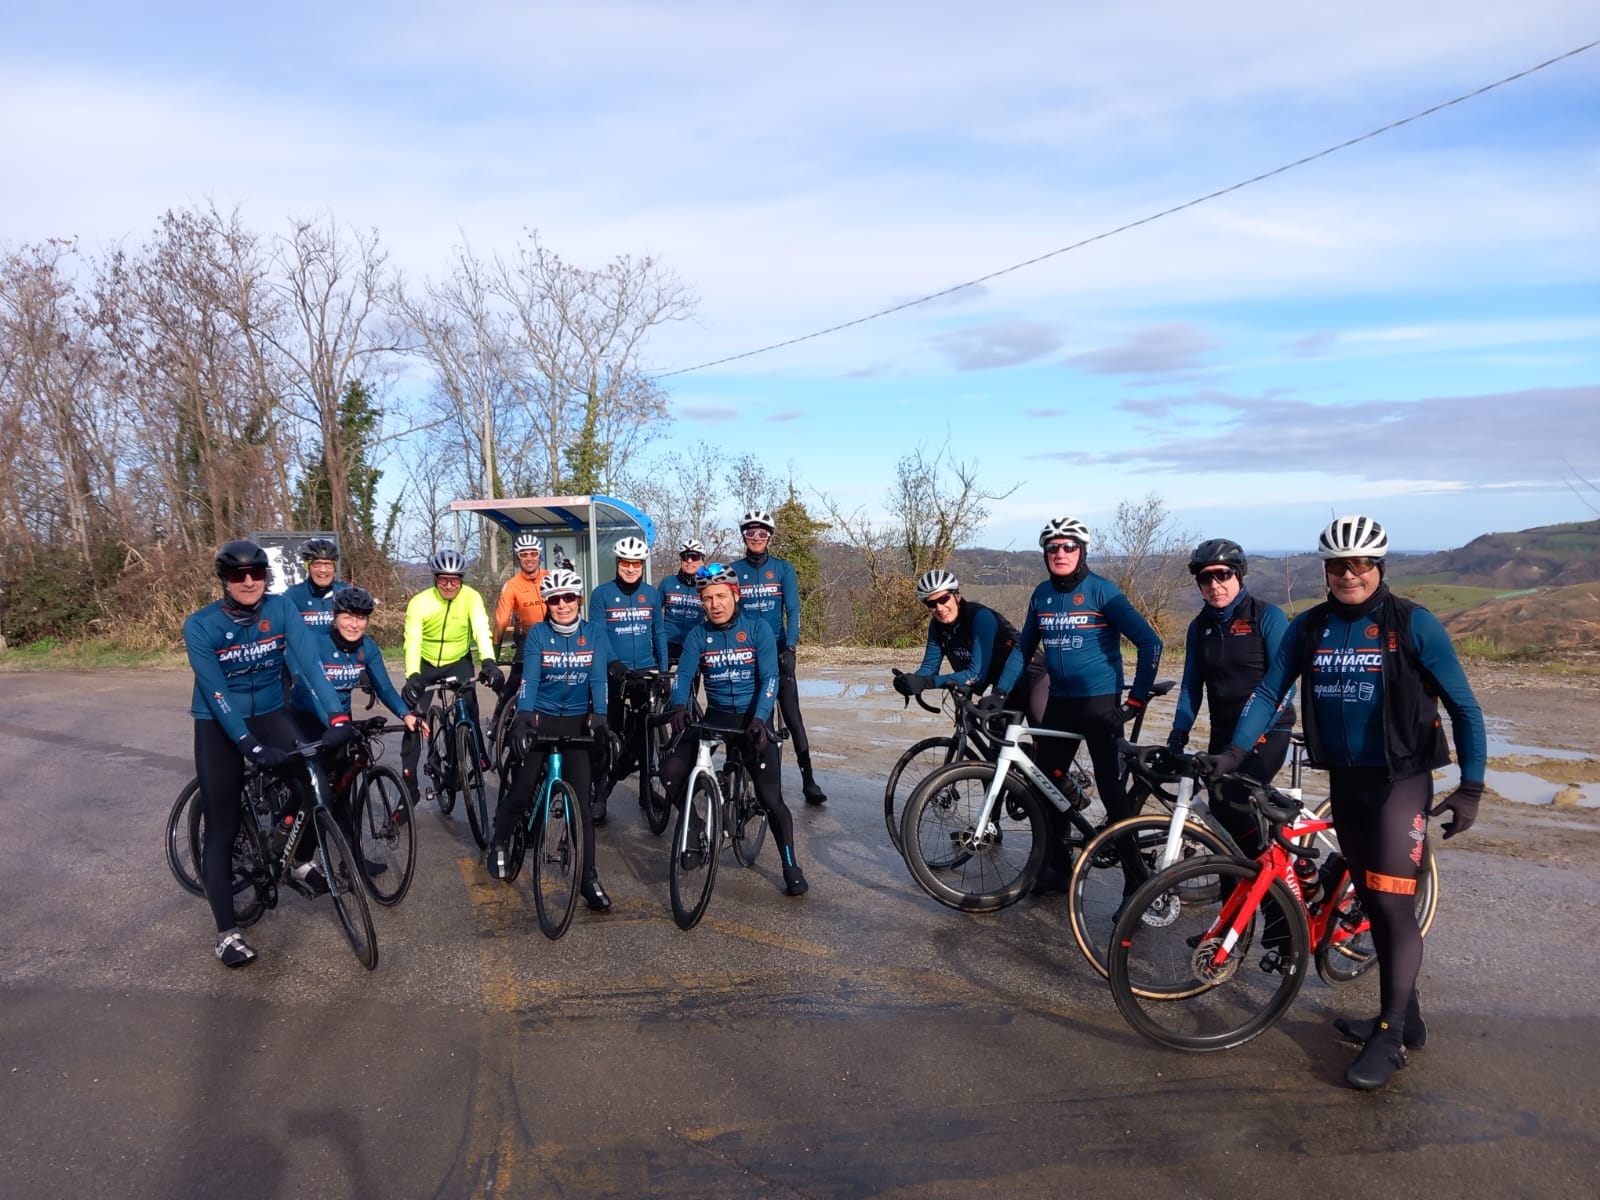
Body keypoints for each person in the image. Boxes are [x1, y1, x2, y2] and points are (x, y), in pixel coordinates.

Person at [1207, 515, 1486, 1091]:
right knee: (1371, 899)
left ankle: (1389, 1036)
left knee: (1389, 906)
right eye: (1338, 565)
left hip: (1399, 782)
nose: (1348, 574)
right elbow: (1270, 690)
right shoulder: (1312, 626)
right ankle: (1407, 1017)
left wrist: (1472, 786)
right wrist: (1234, 752)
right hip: (1348, 784)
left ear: (1378, 567)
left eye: (1359, 564)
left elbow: (1465, 707)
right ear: (1326, 569)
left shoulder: (1412, 623)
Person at [184, 539, 355, 968]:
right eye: (238, 575)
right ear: (224, 580)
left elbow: (310, 667)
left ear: (265, 577)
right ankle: (226, 932)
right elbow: (215, 691)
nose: (248, 581)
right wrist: (249, 745)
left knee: (315, 784)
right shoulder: (200, 626)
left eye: (256, 574)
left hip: (270, 713)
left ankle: (297, 860)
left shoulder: (281, 610)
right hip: (218, 723)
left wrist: (336, 717)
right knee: (222, 827)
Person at [995, 517, 1164, 894]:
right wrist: (1000, 693)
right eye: (1053, 547)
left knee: (1111, 793)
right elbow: (1023, 649)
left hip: (1099, 705)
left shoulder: (1102, 591)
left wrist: (1135, 700)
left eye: (1069, 546)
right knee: (1046, 785)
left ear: (1082, 551)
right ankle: (1058, 868)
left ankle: (1136, 882)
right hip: (1060, 703)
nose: (1060, 553)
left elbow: (1150, 643)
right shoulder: (1042, 595)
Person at [662, 562, 809, 896]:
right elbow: (683, 676)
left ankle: (790, 865)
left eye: (721, 596)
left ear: (735, 595)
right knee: (669, 772)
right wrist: (679, 705)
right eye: (707, 598)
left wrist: (760, 719)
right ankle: (695, 828)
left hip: (752, 718)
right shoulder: (698, 635)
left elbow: (770, 678)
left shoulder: (758, 630)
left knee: (771, 799)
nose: (715, 604)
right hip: (716, 716)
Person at [487, 568, 613, 912]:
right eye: (555, 600)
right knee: (522, 789)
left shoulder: (594, 633)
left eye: (569, 598)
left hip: (576, 723)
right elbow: (528, 680)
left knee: (582, 808)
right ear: (547, 603)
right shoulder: (539, 635)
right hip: (541, 718)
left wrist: (600, 715)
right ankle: (499, 841)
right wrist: (524, 717)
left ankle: (588, 879)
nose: (562, 605)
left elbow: (598, 680)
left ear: (579, 600)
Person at [1165, 539, 1295, 854]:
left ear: (1238, 574)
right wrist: (1177, 734)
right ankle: (1232, 883)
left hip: (1269, 730)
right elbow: (1191, 686)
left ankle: (1265, 873)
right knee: (1219, 808)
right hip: (1223, 730)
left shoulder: (1266, 616)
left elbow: (1286, 685)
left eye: (1223, 574)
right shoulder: (1199, 627)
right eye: (1205, 578)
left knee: (1235, 800)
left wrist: (1252, 736)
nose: (1214, 585)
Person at [287, 585, 425, 863]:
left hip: (340, 720)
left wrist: (406, 714)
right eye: (348, 616)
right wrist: (336, 723)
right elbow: (311, 689)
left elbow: (384, 687)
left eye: (361, 618)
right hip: (307, 717)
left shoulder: (367, 648)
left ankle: (351, 863)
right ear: (335, 617)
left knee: (343, 791)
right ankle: (290, 838)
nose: (354, 624)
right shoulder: (315, 642)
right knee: (315, 788)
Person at [730, 510, 826, 804]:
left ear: (769, 537)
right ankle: (752, 778)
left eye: (762, 533)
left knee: (793, 718)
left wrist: (791, 647)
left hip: (778, 649)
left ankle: (808, 780)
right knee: (755, 717)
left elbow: (793, 610)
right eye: (751, 532)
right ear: (744, 536)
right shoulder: (734, 570)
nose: (756, 537)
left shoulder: (783, 569)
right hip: (747, 652)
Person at [399, 549, 502, 802]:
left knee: (469, 705)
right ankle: (409, 788)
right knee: (413, 720)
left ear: (461, 580)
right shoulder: (420, 602)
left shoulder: (471, 597)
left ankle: (476, 750)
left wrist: (488, 661)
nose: (448, 585)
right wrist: (413, 675)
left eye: (454, 580)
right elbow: (413, 640)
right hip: (425, 663)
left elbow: (481, 629)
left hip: (458, 661)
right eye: (443, 579)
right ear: (435, 579)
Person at [892, 567, 1046, 722]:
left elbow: (975, 675)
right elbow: (930, 667)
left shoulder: (980, 618)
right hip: (1002, 684)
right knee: (996, 729)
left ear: (957, 596)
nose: (939, 608)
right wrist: (911, 680)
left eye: (944, 599)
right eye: (931, 603)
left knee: (1041, 731)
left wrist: (925, 682)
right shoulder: (937, 626)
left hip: (1033, 676)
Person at [589, 536, 669, 824]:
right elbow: (599, 634)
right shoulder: (602, 594)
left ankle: (646, 792)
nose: (631, 568)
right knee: (607, 731)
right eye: (626, 563)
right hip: (615, 670)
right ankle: (600, 793)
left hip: (645, 670)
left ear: (642, 565)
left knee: (645, 734)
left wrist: (663, 671)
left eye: (636, 564)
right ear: (617, 563)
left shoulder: (651, 594)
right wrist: (615, 665)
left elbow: (659, 633)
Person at [487, 531, 548, 748]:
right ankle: (497, 721)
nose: (529, 558)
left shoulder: (550, 578)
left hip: (553, 635)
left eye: (533, 553)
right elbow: (501, 621)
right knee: (516, 678)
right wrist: (493, 655)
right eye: (524, 555)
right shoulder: (512, 585)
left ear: (539, 555)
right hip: (527, 638)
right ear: (518, 558)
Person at [660, 538, 708, 666]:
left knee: (690, 677)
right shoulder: (668, 582)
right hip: (668, 641)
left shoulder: (707, 585)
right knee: (662, 677)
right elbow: (653, 611)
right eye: (685, 557)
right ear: (681, 560)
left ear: (702, 560)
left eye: (694, 557)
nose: (689, 561)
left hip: (694, 642)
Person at [283, 538, 345, 632]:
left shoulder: (345, 593)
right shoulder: (293, 595)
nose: (323, 570)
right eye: (317, 564)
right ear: (308, 567)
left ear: (334, 568)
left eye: (328, 564)